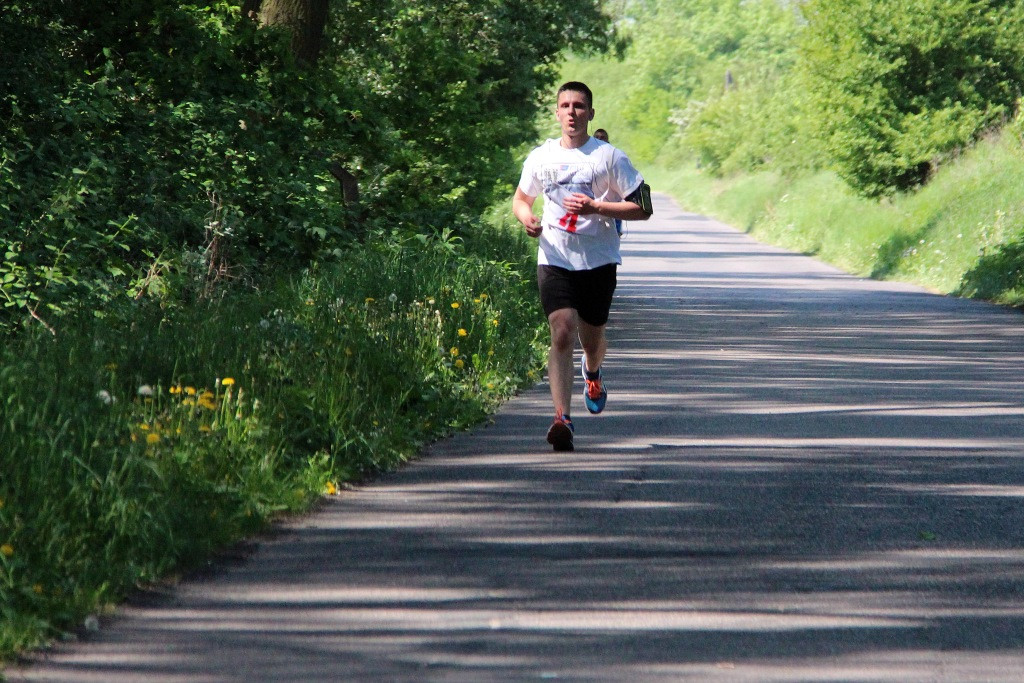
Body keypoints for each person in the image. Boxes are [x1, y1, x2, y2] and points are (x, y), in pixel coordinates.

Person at [512, 81, 653, 451]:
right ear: (557, 113)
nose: (572, 112)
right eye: (565, 105)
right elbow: (521, 200)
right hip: (555, 257)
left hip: (598, 260)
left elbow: (644, 207)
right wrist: (527, 219)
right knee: (561, 330)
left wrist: (597, 207)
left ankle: (592, 372)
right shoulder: (540, 158)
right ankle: (562, 418)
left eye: (579, 106)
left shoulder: (609, 157)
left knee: (591, 338)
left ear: (590, 113)